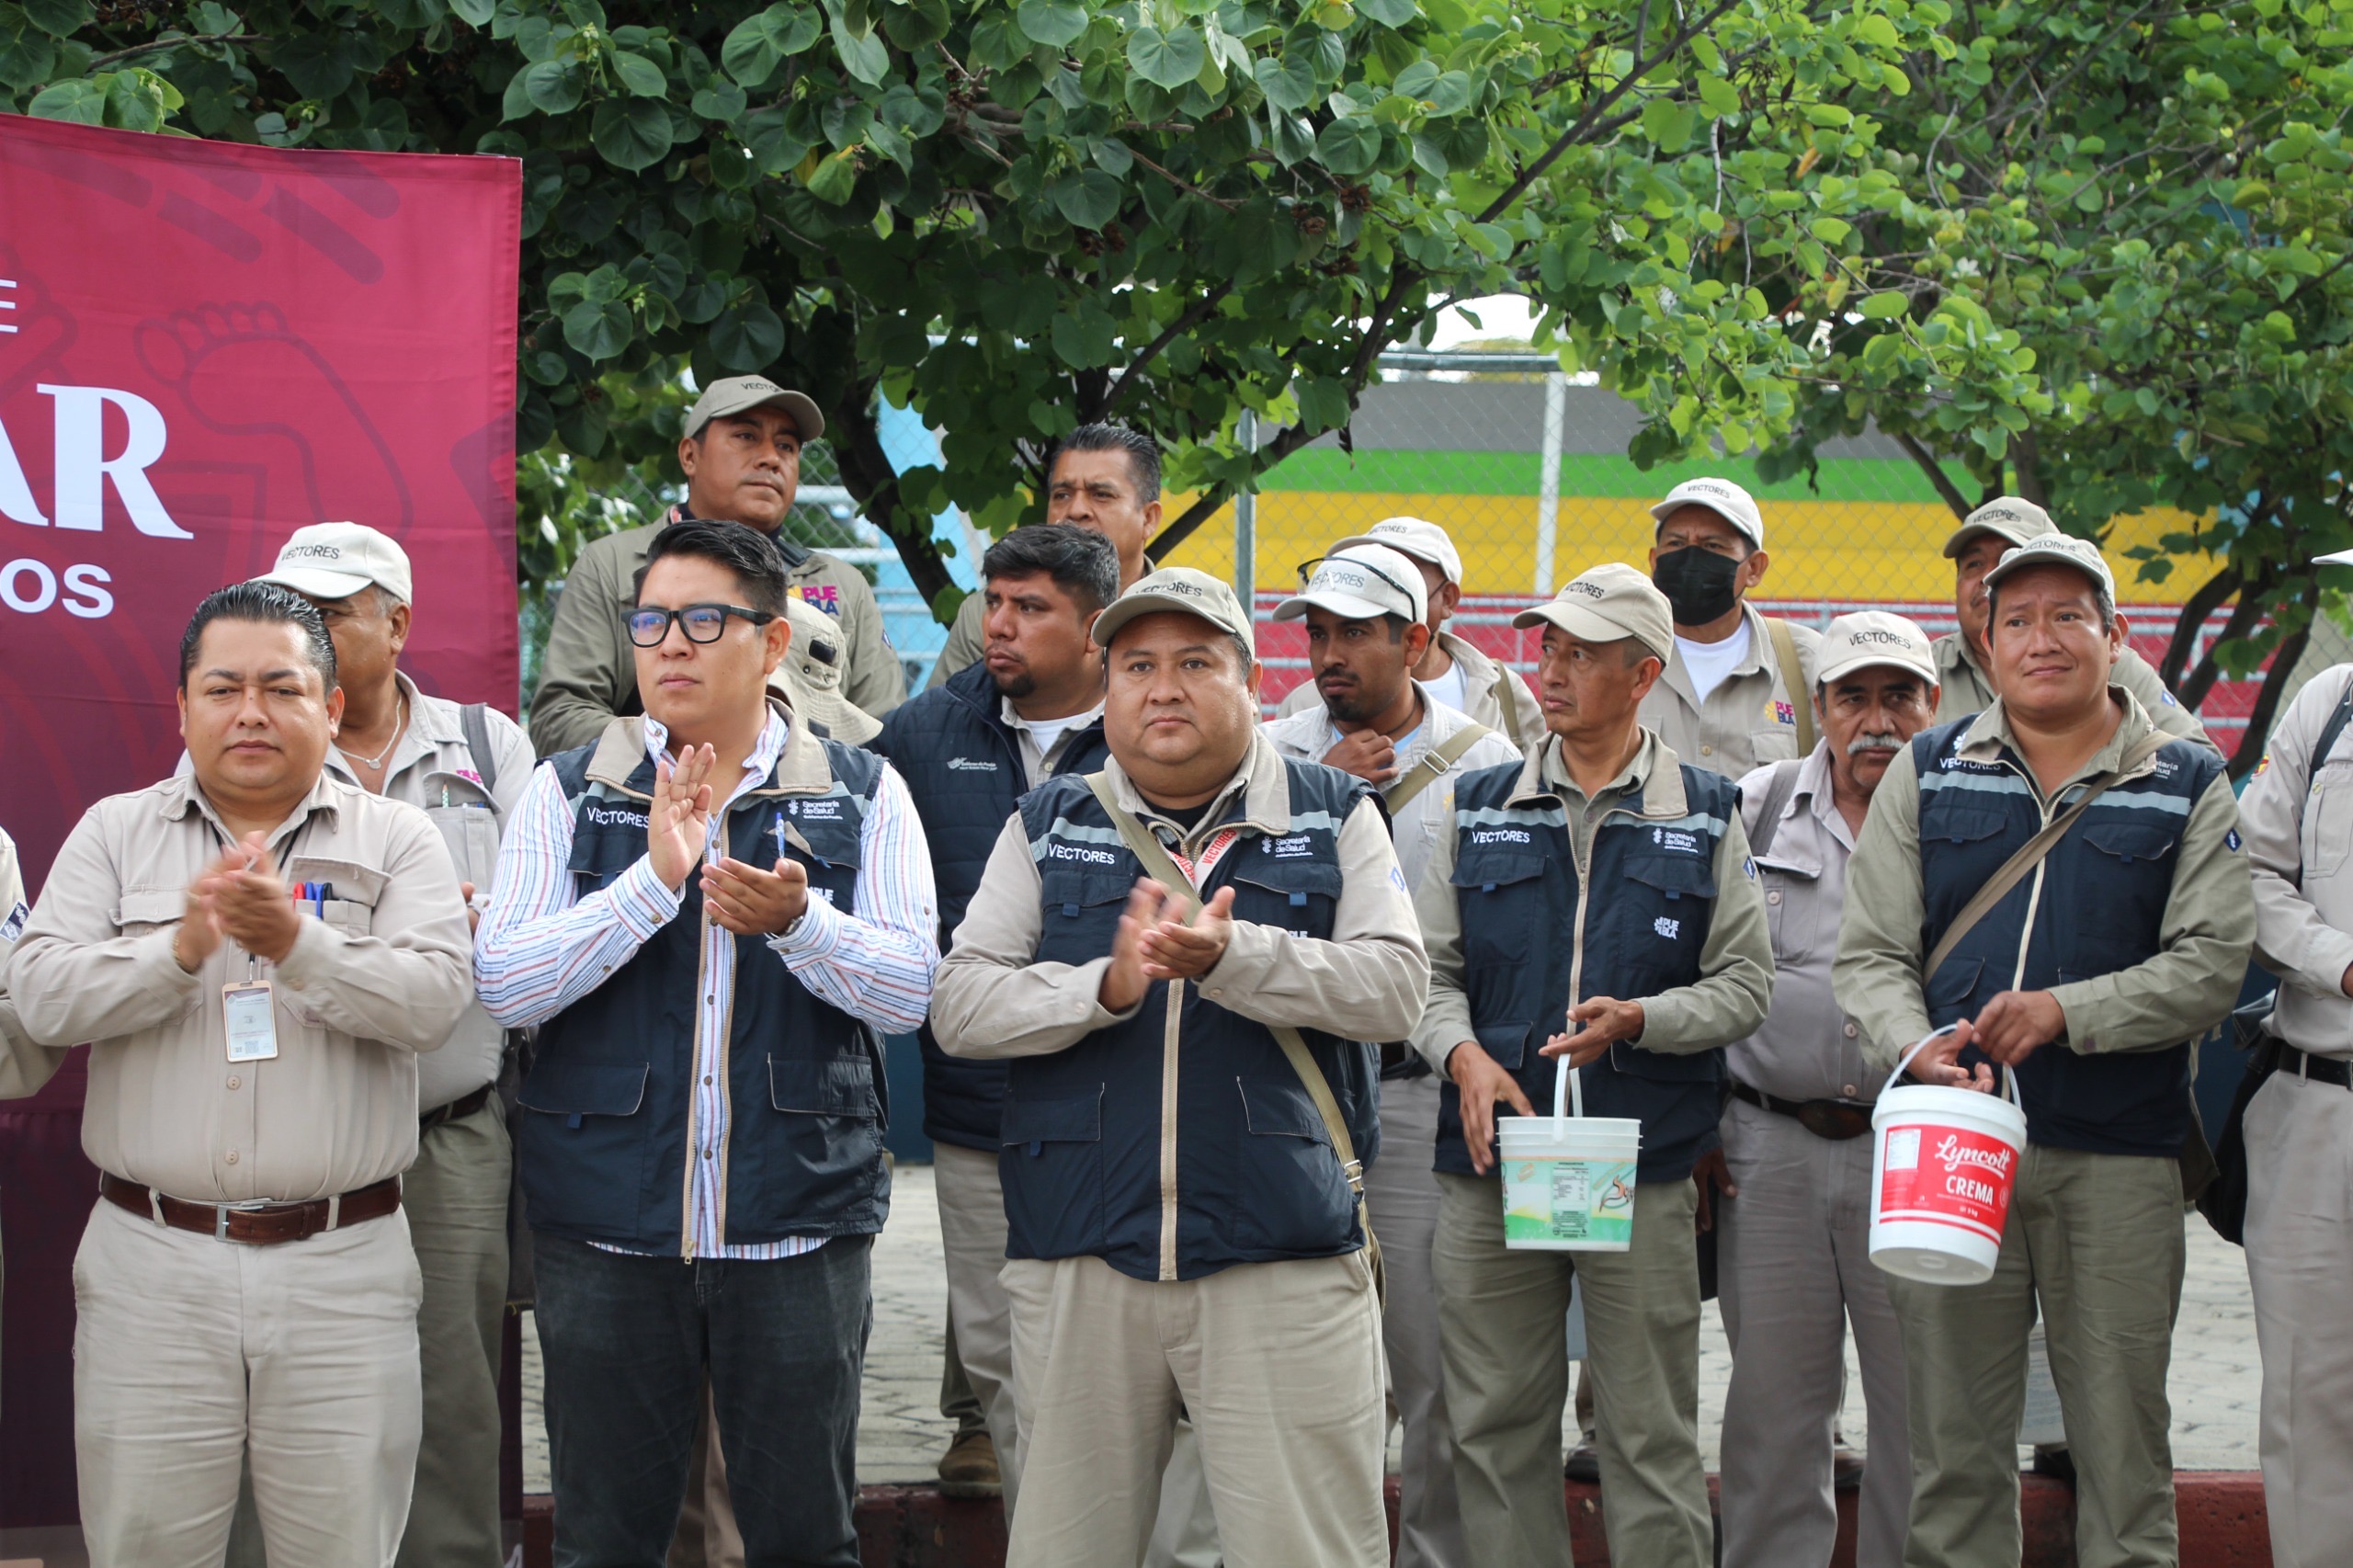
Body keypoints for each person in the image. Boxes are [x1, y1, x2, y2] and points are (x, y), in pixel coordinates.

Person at [931, 567, 1428, 1568]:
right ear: (1105, 690)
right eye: (1138, 665)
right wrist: (1100, 990)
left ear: (1251, 684)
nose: (1164, 687)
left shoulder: (1335, 815)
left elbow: (1394, 992)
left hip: (1283, 1255)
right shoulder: (1048, 820)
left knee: (1309, 1550)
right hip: (1080, 1254)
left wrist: (1235, 960)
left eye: (1196, 662)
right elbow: (960, 1005)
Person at [475, 519, 938, 1567]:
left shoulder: (861, 791)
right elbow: (504, 980)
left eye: (700, 620)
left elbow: (912, 989)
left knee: (804, 1539)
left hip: (797, 1230)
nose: (669, 645)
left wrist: (800, 924)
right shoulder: (567, 789)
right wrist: (651, 885)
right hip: (607, 1232)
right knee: (602, 1542)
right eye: (649, 622)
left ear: (772, 645)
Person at [9, 583, 473, 1568]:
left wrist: (299, 944)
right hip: (152, 1263)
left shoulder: (397, 839)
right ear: (182, 707)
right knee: (145, 1547)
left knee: (344, 1548)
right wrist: (177, 950)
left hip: (343, 1263)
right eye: (223, 687)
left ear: (332, 705)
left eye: (281, 686)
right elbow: (42, 998)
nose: (251, 710)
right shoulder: (113, 832)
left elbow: (435, 1002)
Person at [1833, 533, 2253, 1568]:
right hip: (1951, 1155)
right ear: (1984, 639)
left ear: (2116, 637)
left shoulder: (2186, 779)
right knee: (1955, 1452)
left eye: (2069, 615)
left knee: (2121, 1448)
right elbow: (1870, 956)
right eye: (2015, 619)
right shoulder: (1931, 769)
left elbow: (2212, 965)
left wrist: (2070, 1009)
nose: (2041, 638)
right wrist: (1913, 1042)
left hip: (2118, 1156)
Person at [1415, 562, 1773, 1568]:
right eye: (1549, 647)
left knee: (1648, 1427)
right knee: (1490, 1420)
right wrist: (1465, 1055)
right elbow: (1425, 973)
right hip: (1491, 1157)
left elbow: (1747, 983)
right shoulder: (1474, 800)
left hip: (1640, 1161)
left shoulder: (1706, 809)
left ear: (1643, 672)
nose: (1553, 668)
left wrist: (1643, 1018)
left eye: (1581, 652)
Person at [199, 524, 532, 1568]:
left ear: (398, 621)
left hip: (450, 1134)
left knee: (454, 1398)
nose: (309, 626)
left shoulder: (486, 747)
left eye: (334, 609)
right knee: (277, 1400)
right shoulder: (263, 743)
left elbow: (538, 914)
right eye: (293, 603)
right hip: (298, 1126)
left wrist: (481, 918)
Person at [1261, 540, 1519, 1568]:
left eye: (1355, 633)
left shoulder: (1487, 759)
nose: (1328, 653)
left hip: (1417, 1094)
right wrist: (1315, 788)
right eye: (1316, 631)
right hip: (1291, 1086)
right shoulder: (1272, 744)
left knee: (1437, 1366)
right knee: (1301, 1366)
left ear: (1415, 639)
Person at [872, 523, 1120, 1510]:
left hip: (1116, 1100)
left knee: (1109, 1351)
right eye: (995, 601)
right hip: (977, 1106)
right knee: (997, 1348)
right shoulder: (922, 735)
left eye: (1031, 607)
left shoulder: (1149, 722)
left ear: (1095, 627)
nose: (999, 625)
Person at [1716, 612, 1939, 1568]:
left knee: (1920, 1420)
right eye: (1853, 696)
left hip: (1916, 1153)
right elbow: (1697, 965)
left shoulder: (1966, 815)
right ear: (1819, 709)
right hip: (1765, 1149)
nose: (1876, 720)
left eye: (1899, 696)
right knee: (1773, 1416)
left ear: (1933, 707)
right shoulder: (1752, 807)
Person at [530, 375, 904, 756]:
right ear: (690, 455)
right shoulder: (611, 565)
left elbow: (885, 733)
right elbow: (560, 719)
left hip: (810, 805)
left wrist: (792, 777)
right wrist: (694, 759)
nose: (770, 458)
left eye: (787, 446)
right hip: (650, 804)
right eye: (745, 436)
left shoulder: (843, 585)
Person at [2233, 549, 2353, 1568]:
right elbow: (2256, 875)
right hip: (2317, 1103)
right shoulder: (2329, 703)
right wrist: (2345, 967)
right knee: (2308, 1395)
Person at [1935, 495, 2210, 746]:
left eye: (2009, 558)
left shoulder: (2110, 663)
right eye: (1974, 564)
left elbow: (2196, 756)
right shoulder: (1924, 670)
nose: (1987, 578)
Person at [926, 423, 1165, 688]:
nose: (1076, 510)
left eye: (1101, 495)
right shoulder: (987, 615)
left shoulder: (1179, 618)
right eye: (1062, 495)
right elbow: (942, 720)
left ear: (1149, 518)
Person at [1273, 517, 1543, 751]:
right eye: (1367, 570)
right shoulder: (1303, 703)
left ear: (1448, 598)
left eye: (1402, 574)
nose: (1382, 585)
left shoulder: (1502, 692)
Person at [1638, 477, 1822, 778]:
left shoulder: (1804, 662)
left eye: (1712, 546)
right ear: (1654, 560)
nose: (1691, 557)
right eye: (1676, 543)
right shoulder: (1618, 656)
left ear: (1755, 568)